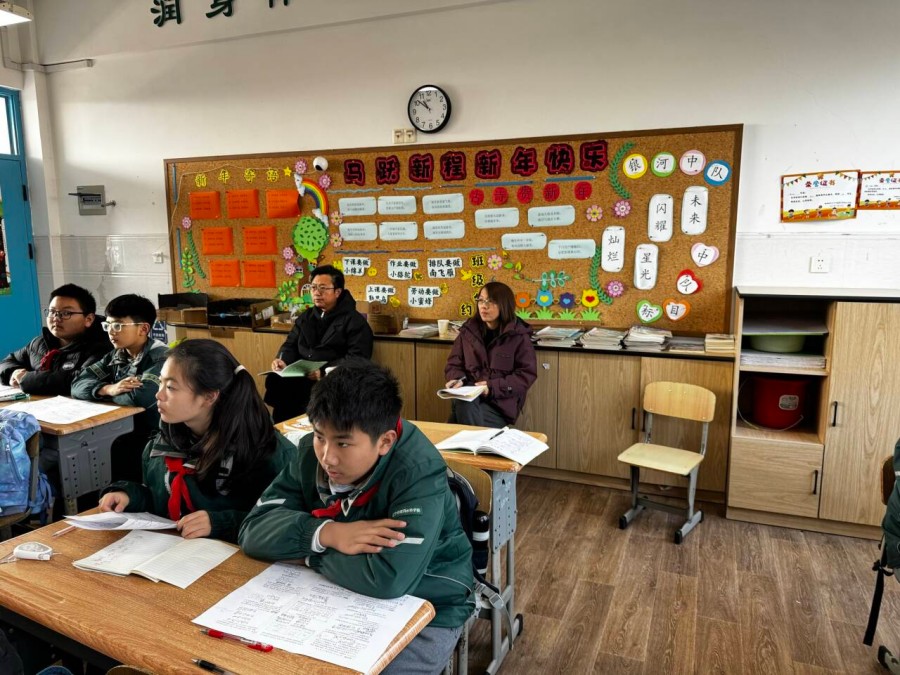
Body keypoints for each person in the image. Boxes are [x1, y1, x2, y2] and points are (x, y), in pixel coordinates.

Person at [240, 360, 473, 674]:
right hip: (332, 594)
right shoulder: (310, 453)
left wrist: (308, 554)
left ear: (385, 441)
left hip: (428, 602)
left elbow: (388, 579)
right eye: (320, 436)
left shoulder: (418, 471)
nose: (328, 457)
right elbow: (252, 530)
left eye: (343, 443)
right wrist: (327, 534)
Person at [98, 339, 295, 543]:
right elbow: (161, 500)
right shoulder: (162, 443)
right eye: (160, 382)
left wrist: (220, 524)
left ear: (209, 397)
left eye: (171, 387)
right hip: (172, 550)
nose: (158, 394)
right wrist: (130, 496)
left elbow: (287, 523)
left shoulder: (269, 453)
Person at [70, 294, 168, 482]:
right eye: (107, 325)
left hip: (155, 436)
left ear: (143, 329)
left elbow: (142, 396)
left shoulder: (161, 358)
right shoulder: (116, 355)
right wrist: (108, 389)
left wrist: (102, 393)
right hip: (125, 430)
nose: (111, 332)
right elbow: (77, 384)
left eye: (118, 325)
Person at [264, 264, 374, 423]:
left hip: (333, 381)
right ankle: (282, 430)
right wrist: (283, 360)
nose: (316, 292)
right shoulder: (306, 317)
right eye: (313, 287)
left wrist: (322, 372)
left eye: (323, 288)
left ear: (337, 292)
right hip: (301, 377)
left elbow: (358, 359)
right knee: (277, 382)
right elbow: (290, 344)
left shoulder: (355, 321)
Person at [444, 281, 537, 428]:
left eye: (491, 301)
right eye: (481, 300)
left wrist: (491, 387)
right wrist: (457, 379)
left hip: (499, 406)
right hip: (469, 398)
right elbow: (454, 363)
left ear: (504, 305)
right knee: (464, 405)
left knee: (457, 420)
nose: (484, 306)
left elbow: (526, 375)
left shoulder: (518, 335)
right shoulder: (468, 331)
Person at [0, 283, 110, 395]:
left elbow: (80, 380)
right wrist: (13, 373)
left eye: (66, 313)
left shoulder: (103, 346)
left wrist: (26, 379)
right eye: (52, 312)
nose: (56, 318)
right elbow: (8, 361)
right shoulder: (40, 343)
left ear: (88, 319)